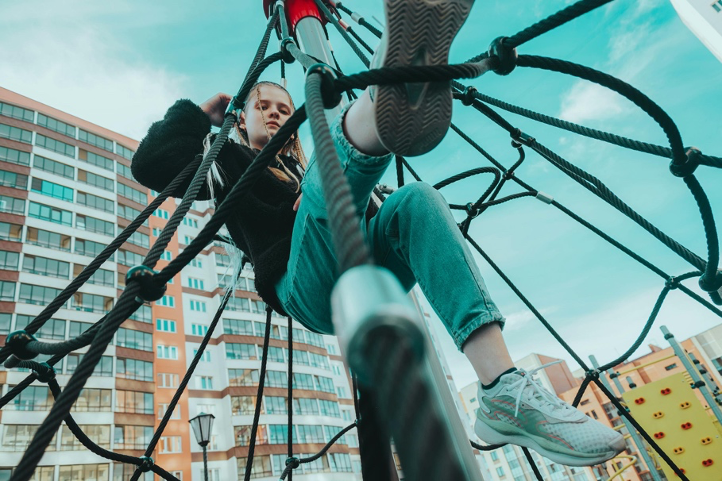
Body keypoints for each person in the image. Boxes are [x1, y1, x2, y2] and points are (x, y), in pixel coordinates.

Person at [132, 0, 624, 467]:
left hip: (365, 256)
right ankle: (388, 98)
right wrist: (202, 115)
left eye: (285, 108)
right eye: (264, 106)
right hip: (306, 287)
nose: (279, 113)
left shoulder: (302, 170)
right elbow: (149, 164)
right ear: (241, 117)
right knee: (328, 175)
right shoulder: (228, 162)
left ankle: (502, 391)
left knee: (416, 201)